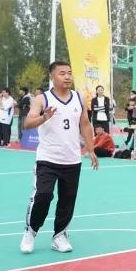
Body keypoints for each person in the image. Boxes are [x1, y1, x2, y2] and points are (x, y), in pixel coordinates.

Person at [20, 61, 98, 254]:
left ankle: (60, 236)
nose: (67, 76)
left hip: (72, 159)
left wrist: (91, 150)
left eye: (69, 73)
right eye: (62, 73)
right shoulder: (42, 99)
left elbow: (85, 124)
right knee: (43, 196)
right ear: (52, 77)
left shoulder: (79, 98)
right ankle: (31, 232)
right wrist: (43, 118)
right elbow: (27, 123)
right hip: (47, 159)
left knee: (67, 200)